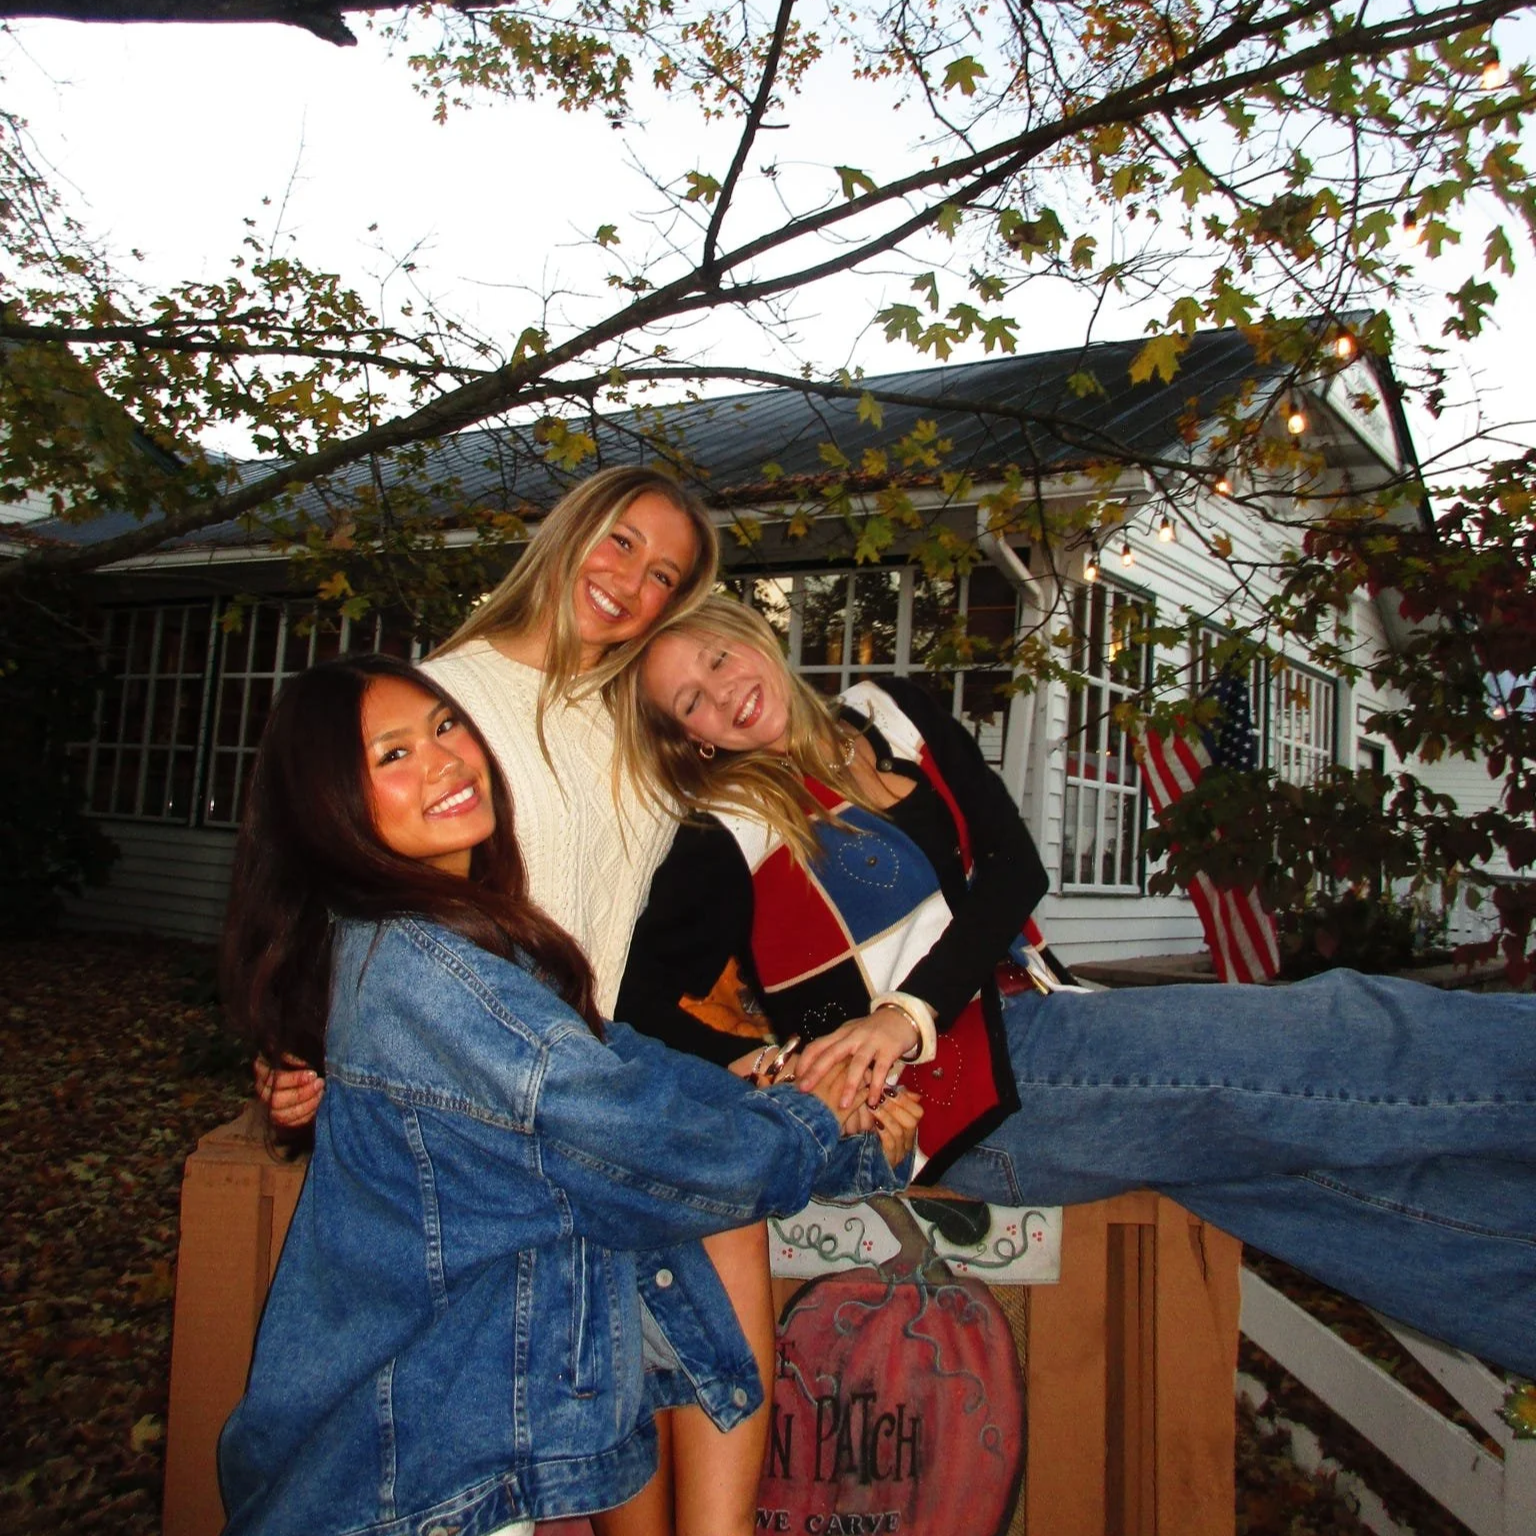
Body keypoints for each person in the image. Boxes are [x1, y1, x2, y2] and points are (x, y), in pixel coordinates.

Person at [614, 594, 1536, 1378]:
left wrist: (907, 1007)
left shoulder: (888, 710)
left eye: (720, 657)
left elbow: (1013, 870)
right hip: (964, 1097)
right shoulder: (726, 833)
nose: (724, 694)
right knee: (1346, 1031)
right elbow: (638, 1012)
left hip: (1049, 1026)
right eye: (690, 701)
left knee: (1337, 1195)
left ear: (753, 633)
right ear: (686, 738)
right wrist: (780, 1065)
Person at [218, 655, 921, 1536]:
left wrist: (820, 1115)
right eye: (391, 756)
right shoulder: (429, 975)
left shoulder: (451, 947)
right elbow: (626, 1137)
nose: (443, 761)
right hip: (407, 1480)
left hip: (439, 1457)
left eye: (445, 727)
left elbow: (614, 1067)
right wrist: (815, 1124)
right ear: (329, 804)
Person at [259, 466, 789, 1535]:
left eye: (665, 575)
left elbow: (754, 812)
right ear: (572, 531)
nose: (632, 579)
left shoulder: (637, 719)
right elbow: (342, 872)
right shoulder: (441, 702)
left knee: (680, 1253)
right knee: (716, 1206)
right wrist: (297, 1041)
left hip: (588, 1069)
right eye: (622, 541)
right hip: (483, 1080)